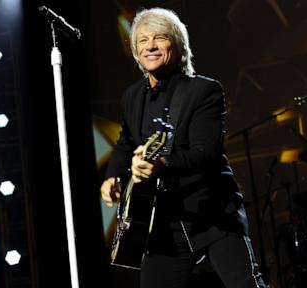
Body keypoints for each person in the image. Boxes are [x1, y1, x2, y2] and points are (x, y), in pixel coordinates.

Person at [101, 7, 266, 288]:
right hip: (164, 226)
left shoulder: (203, 91)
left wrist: (161, 164)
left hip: (213, 217)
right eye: (142, 40)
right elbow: (126, 142)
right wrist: (113, 176)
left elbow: (206, 153)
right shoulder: (132, 96)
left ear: (177, 45)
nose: (150, 46)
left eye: (159, 38)